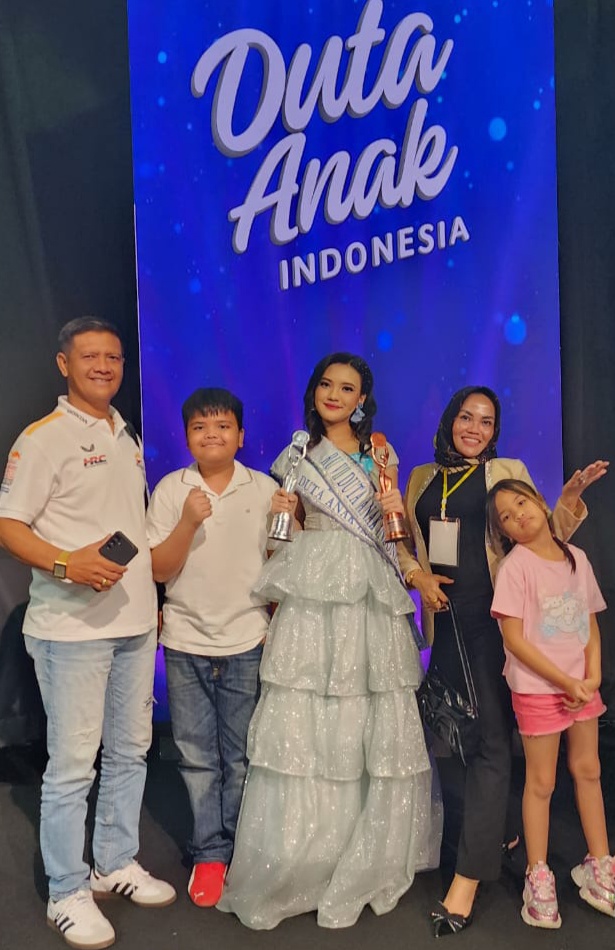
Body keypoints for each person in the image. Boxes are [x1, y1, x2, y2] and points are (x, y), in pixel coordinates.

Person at [218, 353, 441, 930]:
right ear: (315, 391)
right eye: (326, 384)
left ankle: (364, 849)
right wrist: (283, 515)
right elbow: (283, 537)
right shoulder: (295, 456)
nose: (335, 395)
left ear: (362, 399)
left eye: (347, 388)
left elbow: (393, 534)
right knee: (308, 709)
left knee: (366, 706)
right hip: (314, 585)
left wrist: (410, 562)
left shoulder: (381, 453)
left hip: (367, 587)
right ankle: (306, 851)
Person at [397, 385, 607, 936]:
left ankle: (468, 880)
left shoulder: (505, 472)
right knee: (457, 737)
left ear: (495, 431)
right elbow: (404, 545)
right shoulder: (420, 478)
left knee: (492, 741)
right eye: (466, 417)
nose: (475, 428)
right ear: (450, 420)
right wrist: (416, 576)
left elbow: (543, 538)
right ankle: (500, 831)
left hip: (496, 622)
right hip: (445, 624)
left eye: (486, 421)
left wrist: (568, 500)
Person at [0, 317, 176, 950]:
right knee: (73, 766)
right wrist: (64, 563)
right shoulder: (43, 439)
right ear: (63, 364)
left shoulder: (125, 433)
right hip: (70, 631)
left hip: (133, 625)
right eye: (90, 356)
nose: (104, 366)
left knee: (130, 752)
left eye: (114, 357)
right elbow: (8, 525)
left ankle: (114, 862)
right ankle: (66, 892)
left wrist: (150, 603)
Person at [145, 387, 278, 908]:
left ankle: (242, 849)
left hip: (248, 638)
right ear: (186, 437)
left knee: (243, 756)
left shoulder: (264, 488)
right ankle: (209, 853)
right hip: (184, 640)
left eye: (223, 426)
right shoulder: (171, 488)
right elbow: (159, 569)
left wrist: (290, 521)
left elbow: (281, 563)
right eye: (200, 427)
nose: (212, 435)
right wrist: (188, 520)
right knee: (197, 756)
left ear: (241, 436)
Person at [487, 479, 614, 927]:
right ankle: (538, 874)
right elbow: (514, 639)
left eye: (522, 502)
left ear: (541, 503)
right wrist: (564, 681)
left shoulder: (576, 557)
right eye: (506, 516)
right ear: (504, 531)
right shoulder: (514, 569)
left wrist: (591, 677)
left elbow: (590, 624)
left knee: (589, 769)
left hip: (581, 686)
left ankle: (599, 864)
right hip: (538, 689)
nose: (518, 515)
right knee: (541, 782)